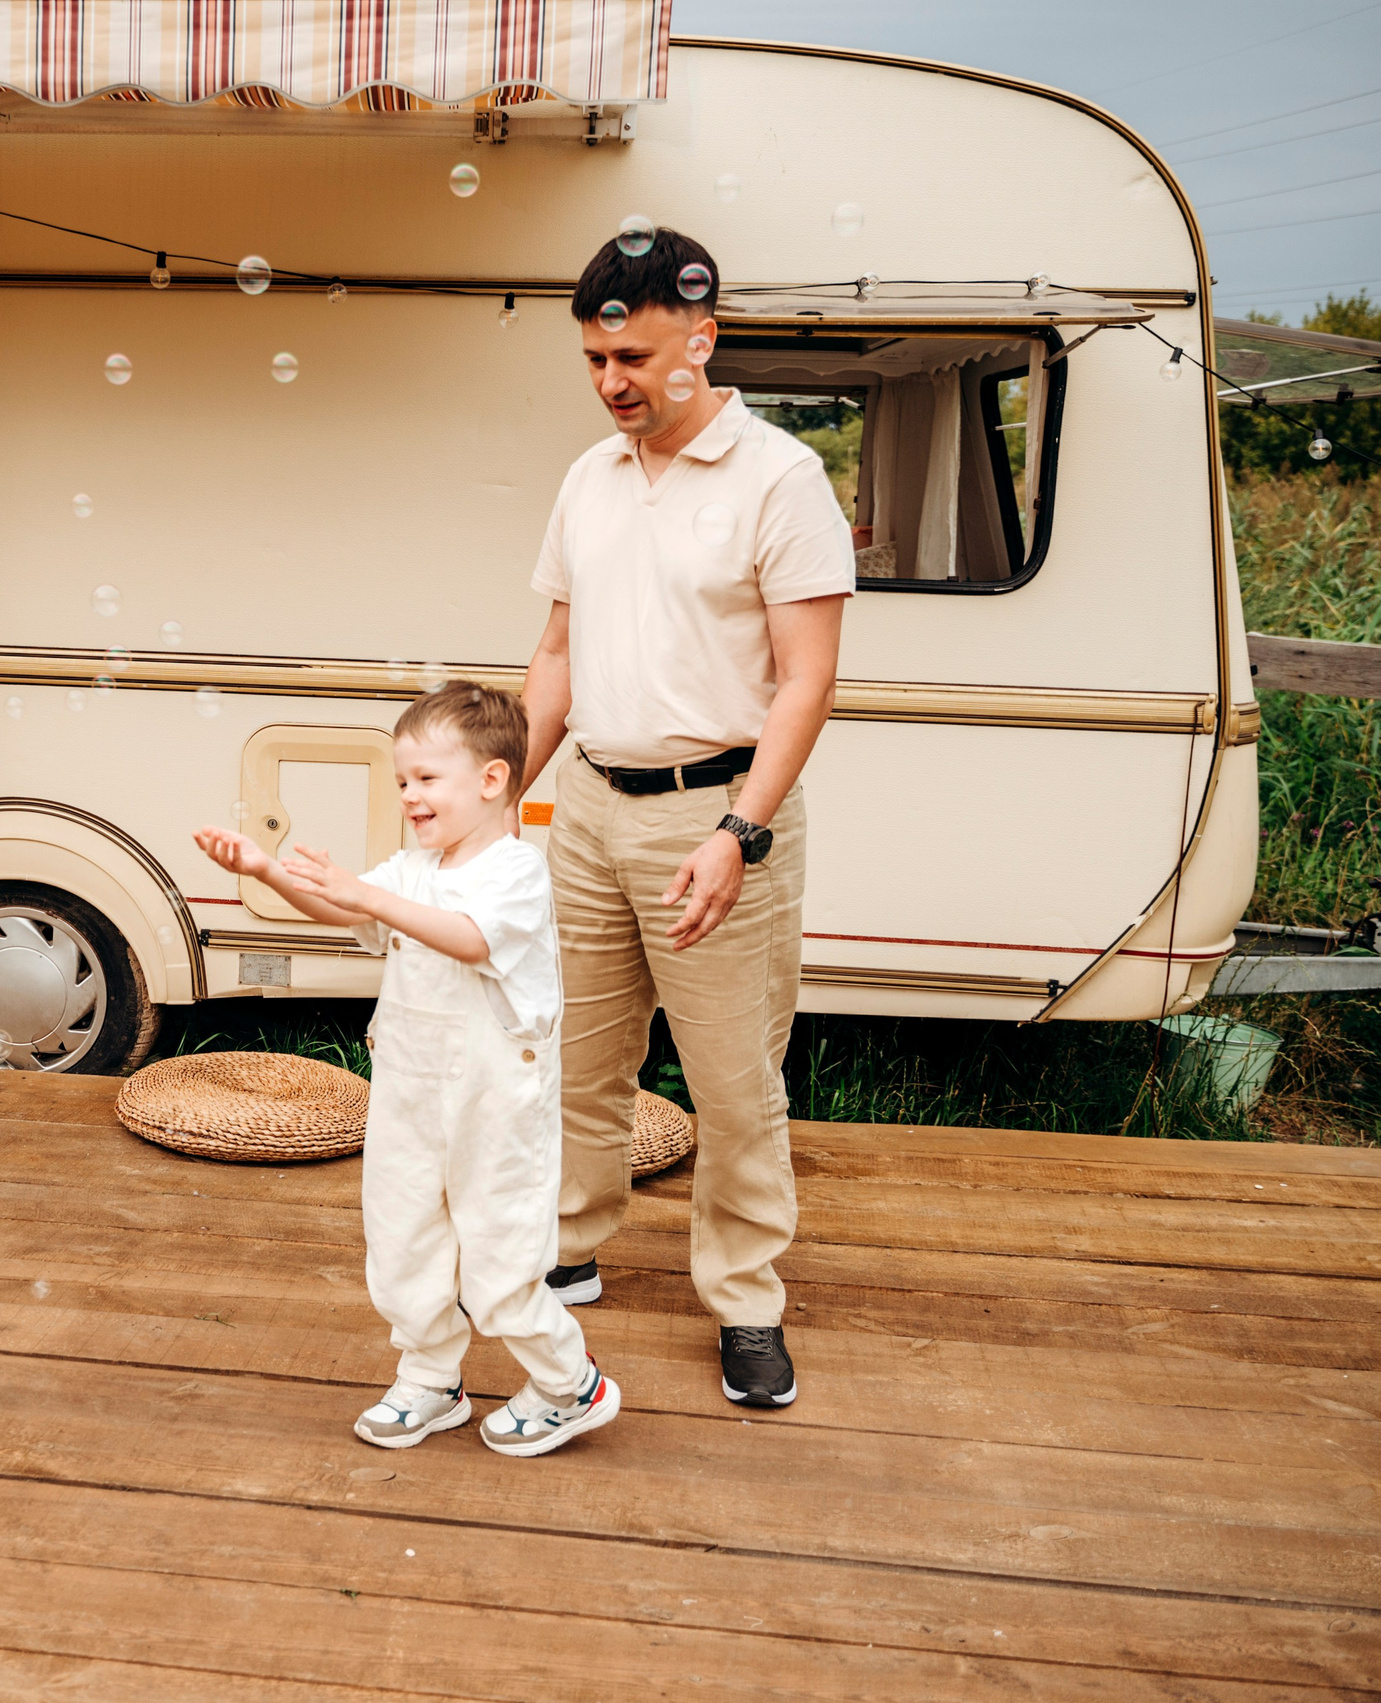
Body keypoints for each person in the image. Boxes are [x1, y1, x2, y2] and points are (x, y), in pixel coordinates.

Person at [523, 228, 853, 1410]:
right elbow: (555, 655)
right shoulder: (588, 477)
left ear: (700, 340)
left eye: (635, 356)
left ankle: (745, 1297)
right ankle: (569, 1242)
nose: (611, 381)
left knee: (731, 1078)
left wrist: (739, 833)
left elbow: (808, 679)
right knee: (577, 1057)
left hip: (718, 814)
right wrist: (498, 793)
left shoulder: (779, 478)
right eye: (594, 359)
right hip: (588, 810)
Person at [197, 682, 617, 1457]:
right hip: (411, 1092)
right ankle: (430, 1376)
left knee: (500, 1256)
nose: (408, 795)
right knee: (402, 1240)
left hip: (495, 1102)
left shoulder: (516, 871)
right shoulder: (413, 867)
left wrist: (369, 895)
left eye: (426, 778)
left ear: (491, 779)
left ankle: (569, 1383)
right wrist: (267, 871)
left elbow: (470, 937)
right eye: (402, 780)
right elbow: (348, 909)